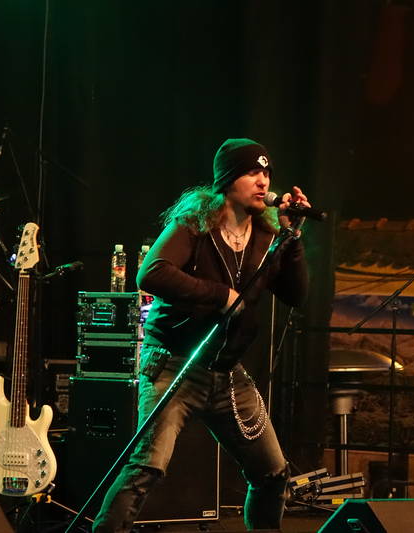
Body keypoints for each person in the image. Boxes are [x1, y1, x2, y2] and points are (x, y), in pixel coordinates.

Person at [93, 138, 309, 532]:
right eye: (252, 172)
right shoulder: (194, 225)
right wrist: (220, 295)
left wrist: (292, 239)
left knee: (273, 473)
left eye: (266, 173)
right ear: (227, 180)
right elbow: (151, 273)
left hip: (226, 373)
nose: (263, 181)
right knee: (146, 468)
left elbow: (296, 295)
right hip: (173, 364)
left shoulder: (267, 235)